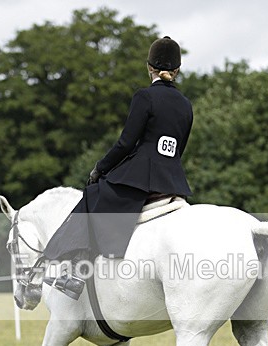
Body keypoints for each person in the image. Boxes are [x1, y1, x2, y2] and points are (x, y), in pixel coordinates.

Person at [43, 36, 194, 299]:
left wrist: (100, 168)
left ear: (149, 67)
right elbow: (179, 148)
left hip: (143, 176)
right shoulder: (186, 104)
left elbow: (125, 143)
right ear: (178, 70)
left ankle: (76, 273)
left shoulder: (145, 96)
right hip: (173, 180)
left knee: (92, 196)